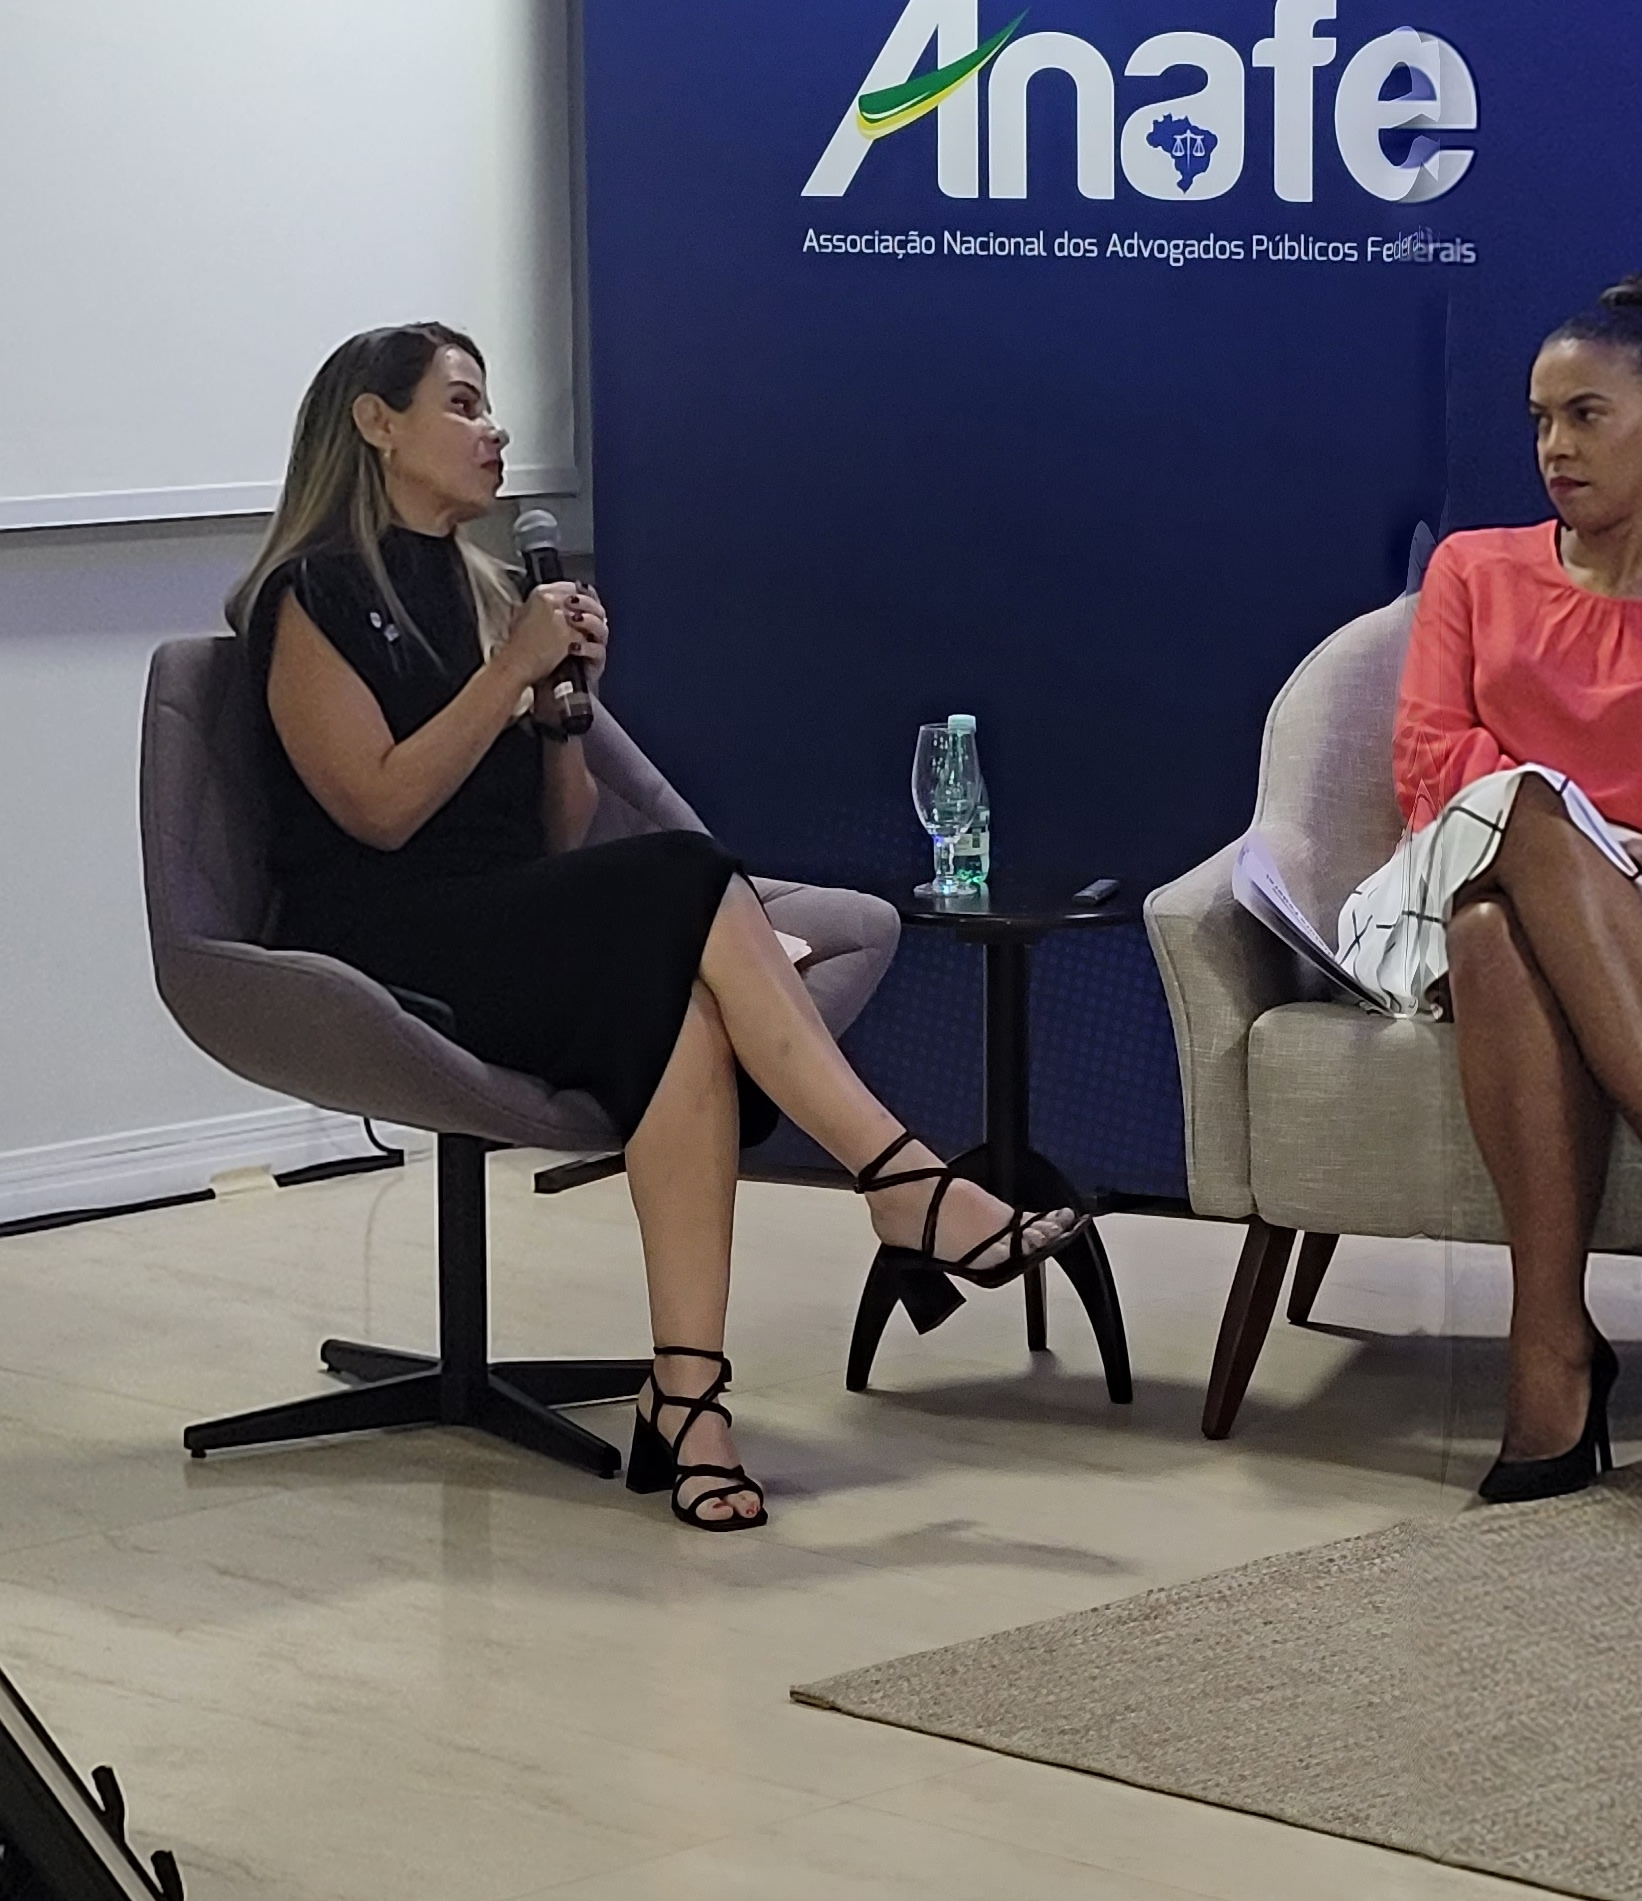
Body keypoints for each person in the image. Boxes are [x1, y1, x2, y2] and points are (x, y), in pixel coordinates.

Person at [229, 322, 1077, 1532]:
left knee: (680, 1018)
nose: (495, 430)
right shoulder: (308, 594)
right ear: (377, 423)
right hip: (383, 939)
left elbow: (556, 838)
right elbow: (377, 811)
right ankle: (901, 1181)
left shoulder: (482, 595)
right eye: (462, 405)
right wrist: (505, 675)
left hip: (504, 918)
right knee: (683, 872)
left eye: (490, 405)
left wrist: (559, 717)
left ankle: (688, 1400)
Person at [1334, 273, 1642, 1501]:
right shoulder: (1474, 571)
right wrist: (1594, 832)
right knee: (1523, 822)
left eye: (1586, 416)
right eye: (1540, 420)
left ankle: (1548, 1358)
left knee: (1502, 935)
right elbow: (1431, 756)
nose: (1553, 446)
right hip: (1435, 891)